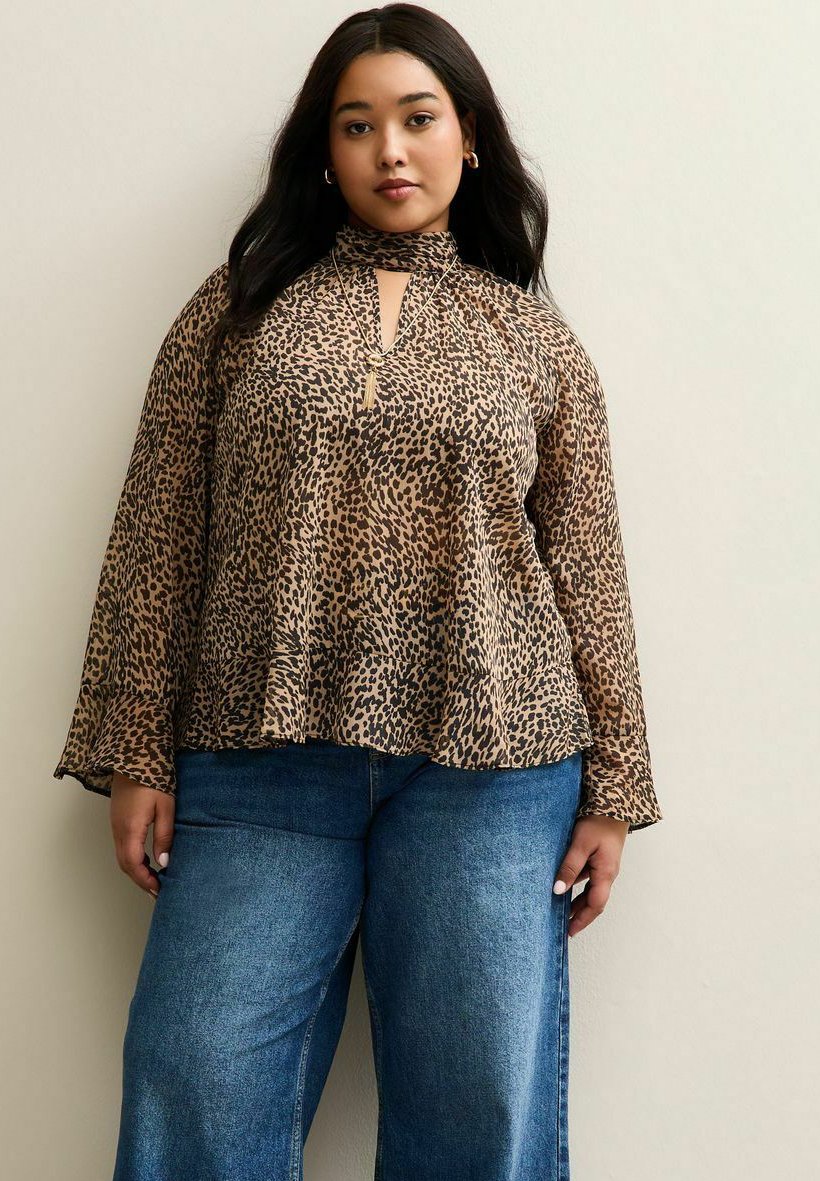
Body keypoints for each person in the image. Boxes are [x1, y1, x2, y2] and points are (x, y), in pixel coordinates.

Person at [53, 5, 663, 1178]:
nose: (390, 149)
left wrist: (614, 788)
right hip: (258, 756)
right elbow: (160, 530)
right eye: (356, 124)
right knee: (194, 1070)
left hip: (493, 768)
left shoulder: (533, 340)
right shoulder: (237, 307)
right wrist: (135, 746)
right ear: (322, 150)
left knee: (475, 1105)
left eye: (417, 119)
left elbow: (587, 569)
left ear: (468, 136)